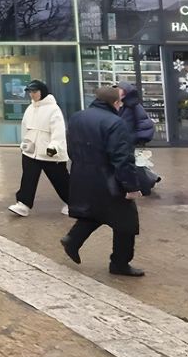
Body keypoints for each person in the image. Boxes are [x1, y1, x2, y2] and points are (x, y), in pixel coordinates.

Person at [60, 86, 145, 277]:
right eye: (120, 102)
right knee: (126, 222)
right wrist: (131, 186)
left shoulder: (77, 118)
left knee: (96, 212)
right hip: (109, 179)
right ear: (115, 103)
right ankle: (120, 263)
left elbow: (71, 148)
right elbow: (122, 158)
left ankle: (73, 240)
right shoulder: (115, 123)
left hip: (82, 175)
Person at [7, 79, 70, 217]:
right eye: (30, 92)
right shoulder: (30, 108)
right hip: (31, 151)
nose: (32, 94)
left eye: (35, 91)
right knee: (28, 178)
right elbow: (25, 128)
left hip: (50, 153)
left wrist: (54, 146)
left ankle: (73, 202)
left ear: (42, 92)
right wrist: (24, 142)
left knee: (60, 179)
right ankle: (23, 204)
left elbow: (58, 130)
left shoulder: (53, 109)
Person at [119, 82, 160, 196]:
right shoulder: (123, 106)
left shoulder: (133, 106)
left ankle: (146, 185)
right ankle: (149, 180)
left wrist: (140, 139)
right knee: (134, 164)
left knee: (135, 165)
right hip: (126, 139)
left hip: (130, 140)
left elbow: (144, 123)